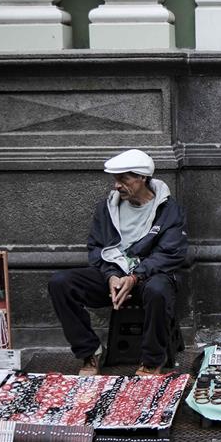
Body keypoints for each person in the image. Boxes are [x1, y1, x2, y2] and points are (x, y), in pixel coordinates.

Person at [49, 149, 188, 376]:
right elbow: (96, 248)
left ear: (142, 178)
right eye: (115, 179)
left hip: (147, 277)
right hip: (113, 276)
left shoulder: (169, 210)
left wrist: (135, 277)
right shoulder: (106, 208)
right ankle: (89, 352)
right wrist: (111, 276)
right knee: (61, 282)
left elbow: (171, 253)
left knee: (158, 290)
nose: (117, 185)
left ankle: (152, 362)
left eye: (124, 179)